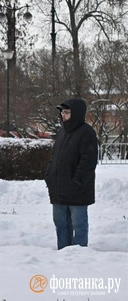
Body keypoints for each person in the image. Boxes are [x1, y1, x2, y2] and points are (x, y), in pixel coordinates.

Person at [45, 99, 98, 250]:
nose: (63, 115)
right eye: (62, 112)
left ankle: (79, 256)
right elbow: (54, 157)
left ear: (76, 113)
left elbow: (88, 162)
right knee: (60, 223)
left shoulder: (87, 133)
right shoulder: (62, 132)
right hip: (58, 188)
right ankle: (63, 252)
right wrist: (49, 175)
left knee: (78, 224)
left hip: (77, 190)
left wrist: (77, 182)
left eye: (67, 112)